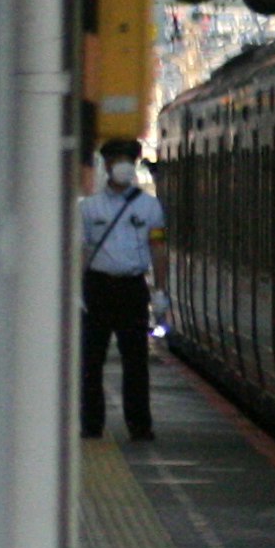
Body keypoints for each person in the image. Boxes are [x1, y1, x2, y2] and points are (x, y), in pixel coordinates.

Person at [77, 136, 166, 441]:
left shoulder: (150, 207)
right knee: (90, 361)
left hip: (132, 287)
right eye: (117, 160)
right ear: (107, 164)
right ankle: (91, 424)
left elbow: (157, 248)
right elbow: (80, 251)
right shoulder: (89, 208)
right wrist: (76, 290)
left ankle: (140, 425)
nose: (124, 167)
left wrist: (160, 291)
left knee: (136, 362)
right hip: (98, 287)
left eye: (130, 160)